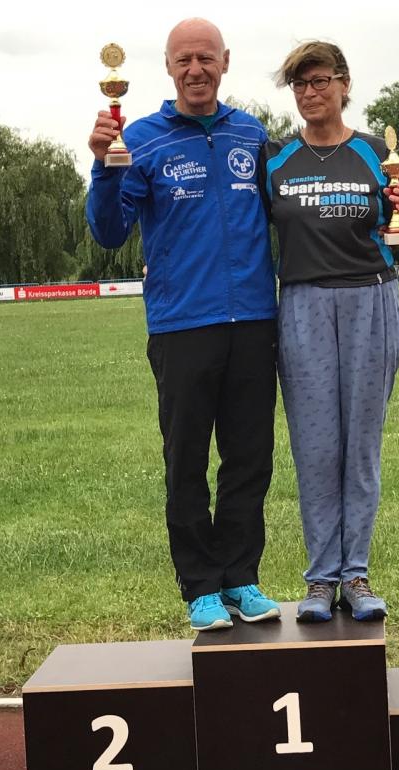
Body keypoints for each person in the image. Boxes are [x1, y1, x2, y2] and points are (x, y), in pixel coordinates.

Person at [87, 18, 281, 631]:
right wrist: (103, 168)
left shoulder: (252, 133)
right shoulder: (140, 139)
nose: (196, 69)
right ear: (168, 68)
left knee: (250, 458)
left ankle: (241, 576)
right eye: (183, 60)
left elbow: (289, 213)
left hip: (254, 320)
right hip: (181, 325)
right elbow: (109, 231)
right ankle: (200, 586)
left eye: (206, 58)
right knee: (187, 462)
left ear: (225, 61)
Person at [262, 41, 399, 622]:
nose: (310, 92)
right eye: (300, 84)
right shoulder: (276, 160)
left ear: (344, 83)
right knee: (314, 449)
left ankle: (355, 575)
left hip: (370, 300)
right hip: (302, 304)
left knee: (361, 446)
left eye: (320, 80)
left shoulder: (376, 153)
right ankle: (318, 580)